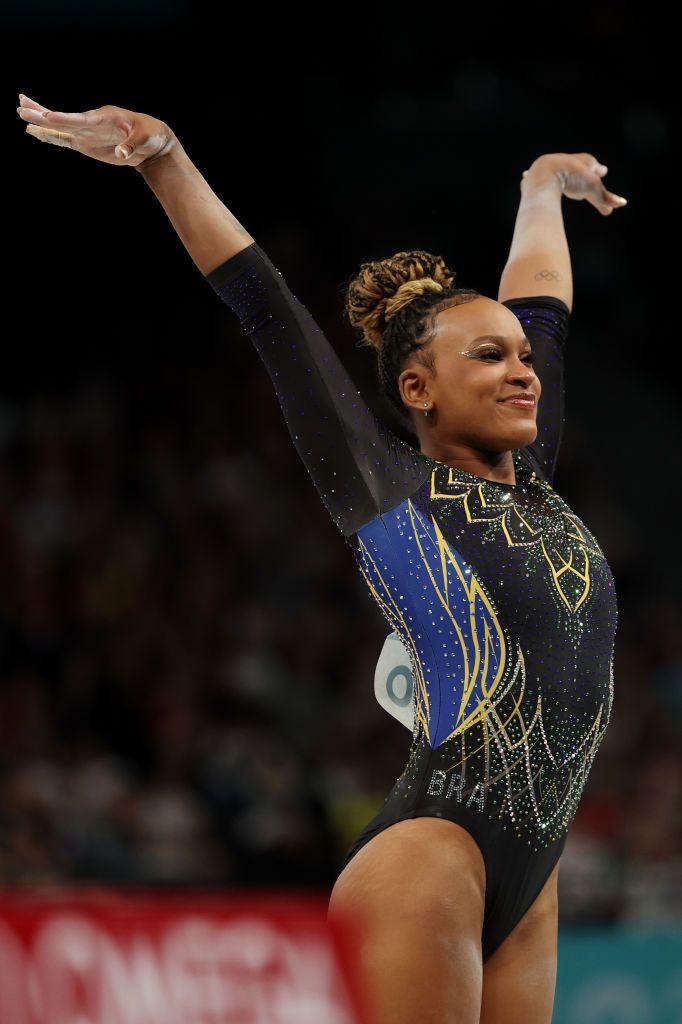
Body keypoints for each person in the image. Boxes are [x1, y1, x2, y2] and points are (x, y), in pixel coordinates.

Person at [17, 93, 627, 1024]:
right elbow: (266, 310)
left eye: (522, 356)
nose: (523, 368)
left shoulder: (533, 478)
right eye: (490, 357)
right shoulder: (386, 488)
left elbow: (544, 295)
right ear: (417, 389)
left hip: (530, 875)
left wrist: (544, 184)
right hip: (433, 856)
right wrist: (163, 157)